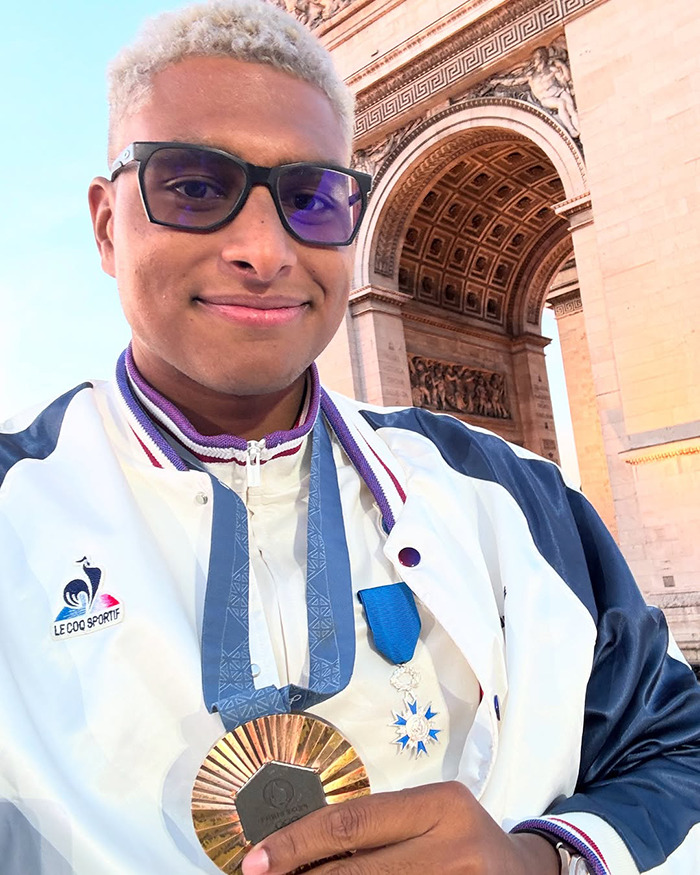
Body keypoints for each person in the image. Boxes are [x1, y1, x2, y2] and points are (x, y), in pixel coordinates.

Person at [0, 1, 698, 873]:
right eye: (193, 187)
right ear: (107, 223)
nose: (263, 247)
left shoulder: (523, 495)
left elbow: (680, 749)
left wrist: (551, 859)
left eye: (312, 198)